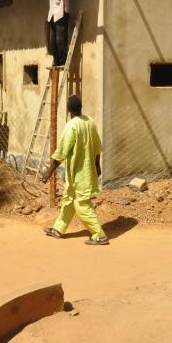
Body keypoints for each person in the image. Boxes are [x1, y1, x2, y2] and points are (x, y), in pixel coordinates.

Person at [42, 95, 109, 245]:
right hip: (81, 172)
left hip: (81, 174)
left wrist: (49, 171)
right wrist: (97, 166)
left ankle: (99, 235)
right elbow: (98, 147)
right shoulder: (90, 122)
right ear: (80, 107)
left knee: (82, 204)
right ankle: (58, 229)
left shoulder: (71, 126)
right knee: (68, 199)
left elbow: (62, 152)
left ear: (68, 109)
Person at [33, 0, 72, 67]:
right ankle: (56, 60)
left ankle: (62, 60)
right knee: (52, 41)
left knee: (60, 39)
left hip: (62, 13)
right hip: (52, 15)